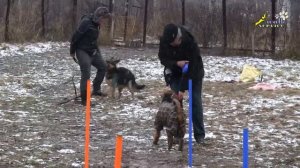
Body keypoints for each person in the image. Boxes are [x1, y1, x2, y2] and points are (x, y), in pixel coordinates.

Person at [158, 23, 205, 144]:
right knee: (176, 105)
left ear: (179, 37)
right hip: (175, 73)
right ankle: (178, 134)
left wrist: (182, 90)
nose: (174, 45)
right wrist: (176, 63)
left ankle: (199, 136)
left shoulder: (189, 42)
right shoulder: (165, 41)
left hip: (194, 73)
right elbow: (163, 58)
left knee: (195, 102)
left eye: (176, 42)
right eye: (171, 44)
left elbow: (192, 67)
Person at [70, 7, 111, 106]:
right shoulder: (86, 22)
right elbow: (75, 37)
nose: (104, 21)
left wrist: (98, 53)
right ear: (98, 16)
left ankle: (96, 89)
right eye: (103, 19)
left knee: (103, 67)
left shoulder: (97, 25)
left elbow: (94, 40)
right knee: (86, 73)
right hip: (81, 50)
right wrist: (72, 51)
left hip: (92, 50)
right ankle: (85, 99)